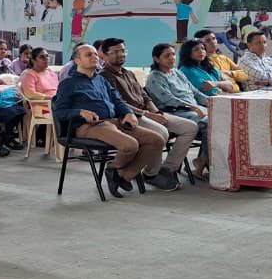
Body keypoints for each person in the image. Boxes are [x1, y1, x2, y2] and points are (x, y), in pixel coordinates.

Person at [53, 44, 166, 198]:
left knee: (157, 140)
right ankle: (114, 169)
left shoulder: (101, 80)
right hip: (89, 126)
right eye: (88, 55)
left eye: (95, 54)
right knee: (130, 145)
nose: (94, 57)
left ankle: (122, 175)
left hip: (114, 121)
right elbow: (60, 112)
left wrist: (128, 113)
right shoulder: (68, 84)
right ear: (77, 60)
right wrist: (80, 112)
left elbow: (117, 100)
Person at [97, 40, 190, 190]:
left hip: (148, 113)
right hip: (128, 117)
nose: (121, 54)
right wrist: (148, 114)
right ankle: (151, 174)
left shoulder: (128, 73)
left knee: (190, 127)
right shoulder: (103, 76)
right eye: (115, 52)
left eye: (123, 51)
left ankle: (167, 168)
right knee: (161, 132)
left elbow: (145, 97)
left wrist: (156, 112)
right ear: (104, 55)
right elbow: (117, 103)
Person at [144, 43, 211, 179]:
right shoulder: (155, 77)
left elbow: (195, 93)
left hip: (194, 109)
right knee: (210, 124)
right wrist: (194, 108)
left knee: (221, 119)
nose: (172, 58)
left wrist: (213, 103)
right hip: (175, 112)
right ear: (157, 59)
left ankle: (204, 161)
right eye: (167, 56)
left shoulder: (177, 73)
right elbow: (169, 99)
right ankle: (204, 162)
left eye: (173, 54)